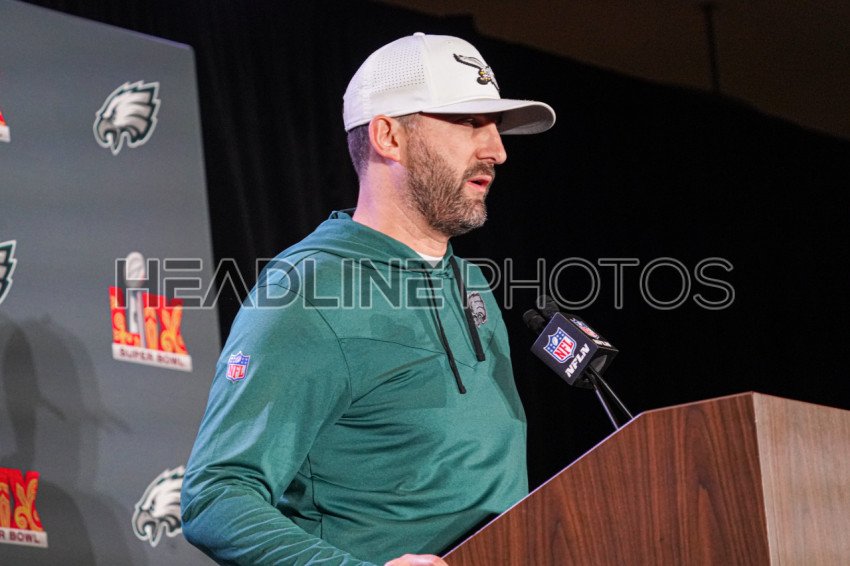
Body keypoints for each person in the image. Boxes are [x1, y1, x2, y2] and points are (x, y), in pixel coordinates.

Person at [181, 32, 556, 565]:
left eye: (495, 126)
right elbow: (215, 496)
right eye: (469, 122)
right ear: (388, 136)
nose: (497, 150)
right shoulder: (308, 292)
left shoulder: (470, 283)